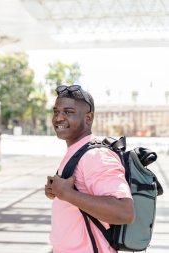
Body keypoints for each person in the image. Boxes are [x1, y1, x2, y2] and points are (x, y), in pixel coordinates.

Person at [45, 85, 135, 253]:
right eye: (56, 111)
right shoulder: (77, 151)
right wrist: (58, 192)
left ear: (88, 118)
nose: (59, 118)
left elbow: (124, 212)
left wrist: (67, 194)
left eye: (68, 112)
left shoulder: (96, 156)